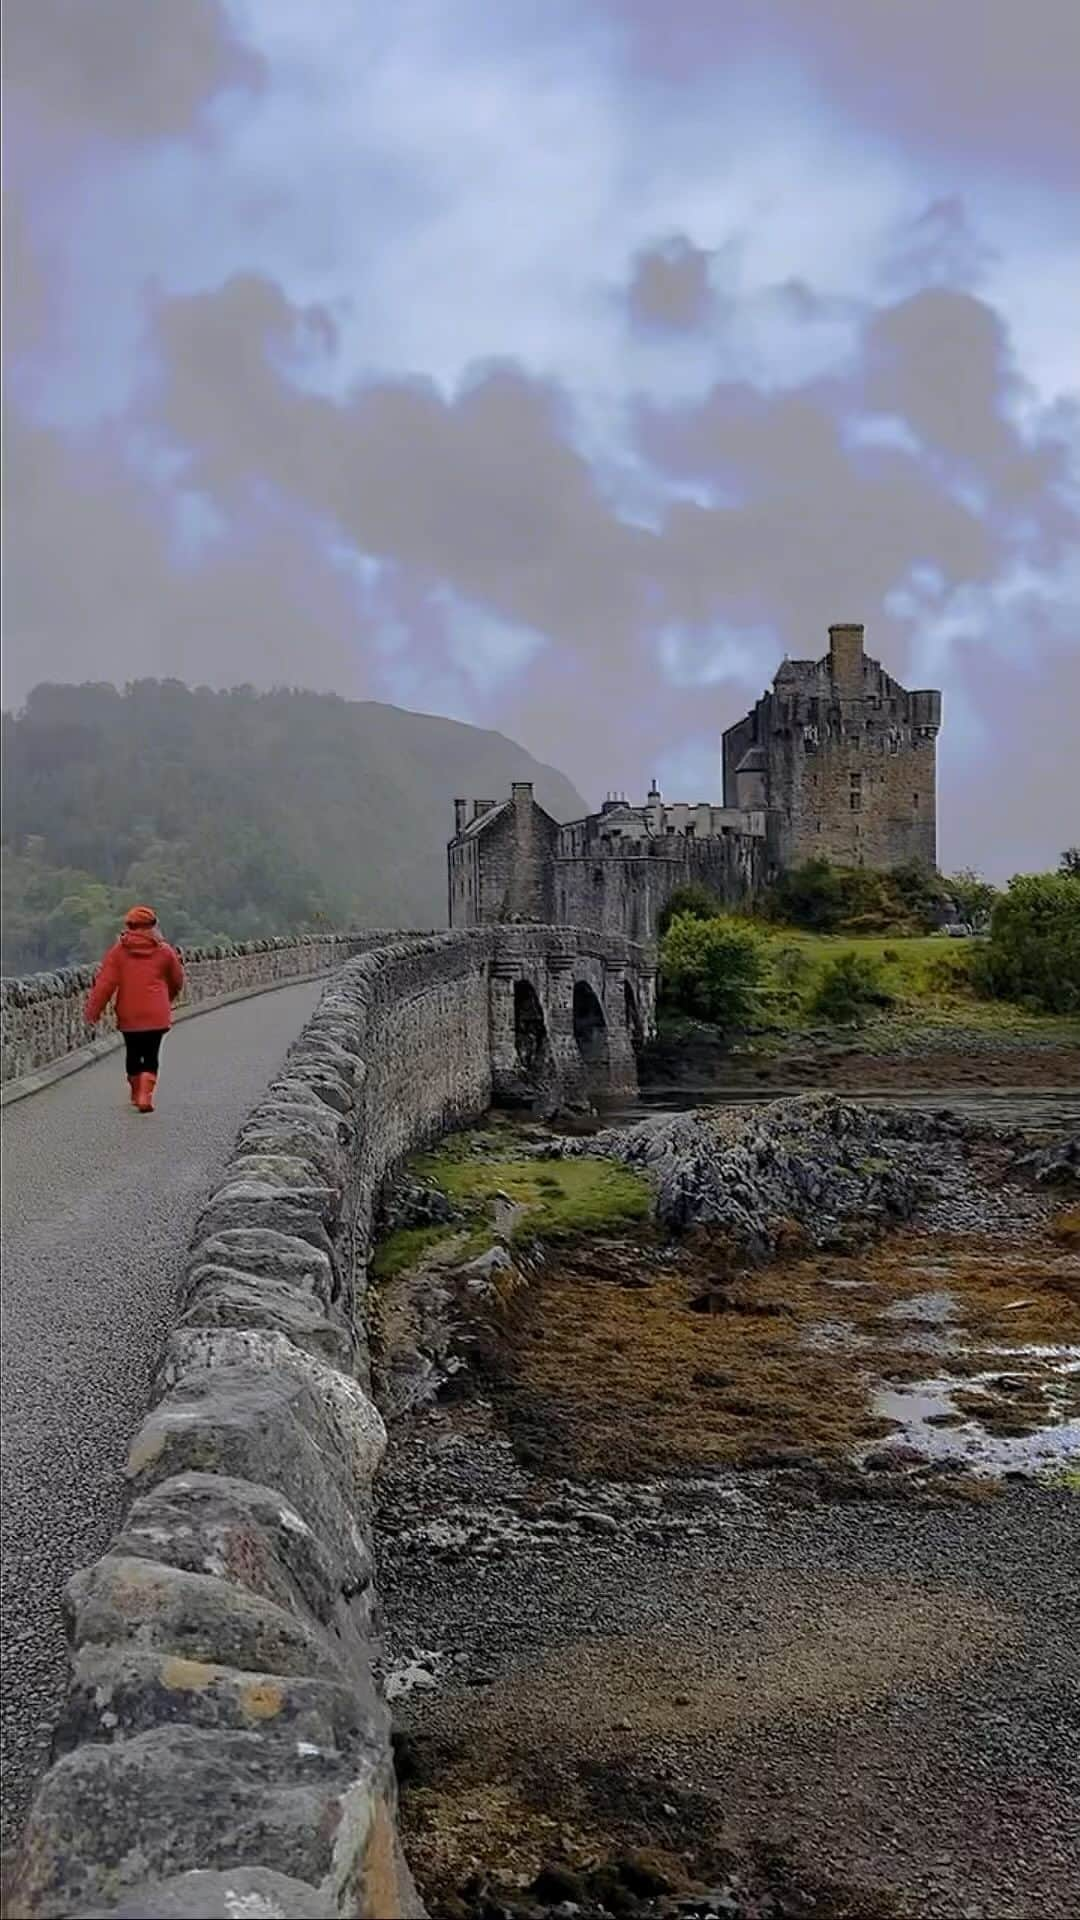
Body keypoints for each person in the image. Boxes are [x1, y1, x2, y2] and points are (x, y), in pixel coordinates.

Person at [85, 906, 185, 1113]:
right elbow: (177, 980)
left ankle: (135, 1088)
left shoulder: (119, 952)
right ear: (153, 925)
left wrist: (93, 1011)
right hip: (156, 1014)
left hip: (129, 1013)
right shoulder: (165, 951)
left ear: (129, 926)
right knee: (151, 1054)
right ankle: (145, 1094)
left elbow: (105, 984)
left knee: (133, 1052)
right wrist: (168, 998)